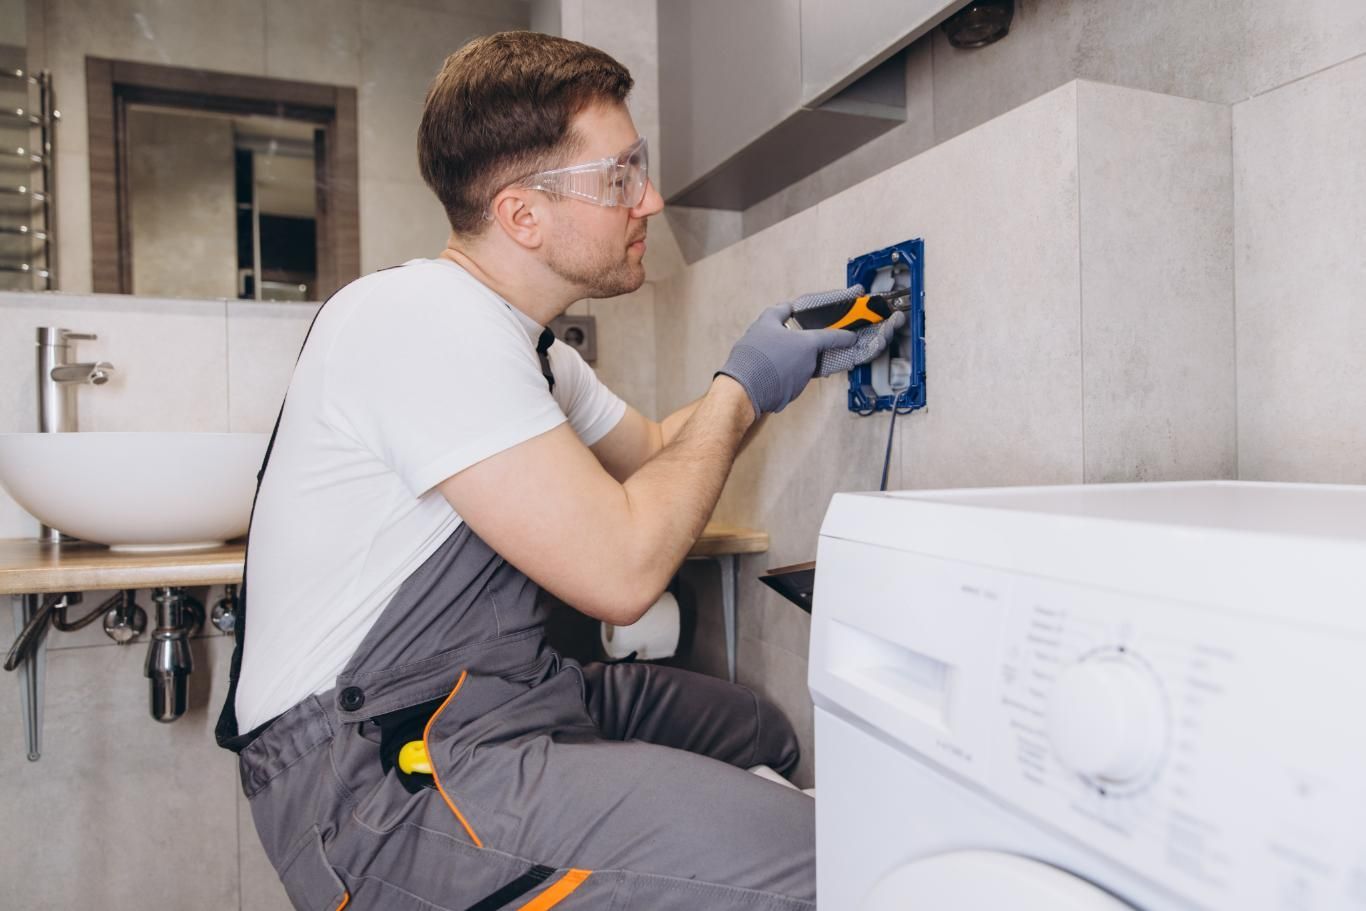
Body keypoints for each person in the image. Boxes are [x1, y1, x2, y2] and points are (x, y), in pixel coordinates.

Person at [216, 31, 896, 911]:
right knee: (825, 862)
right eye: (619, 178)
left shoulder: (528, 350)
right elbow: (621, 572)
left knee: (755, 726)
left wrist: (782, 368)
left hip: (492, 704)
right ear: (522, 215)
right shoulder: (416, 318)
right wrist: (739, 388)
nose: (648, 199)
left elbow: (656, 453)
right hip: (376, 781)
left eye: (638, 166)